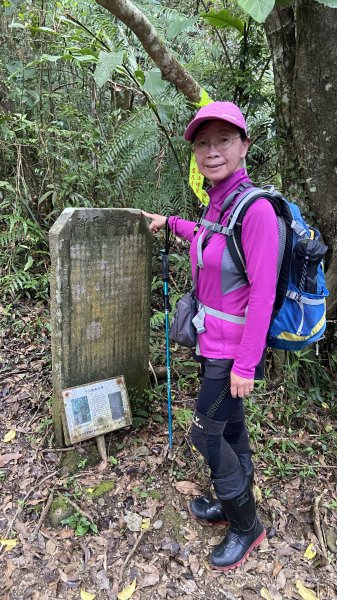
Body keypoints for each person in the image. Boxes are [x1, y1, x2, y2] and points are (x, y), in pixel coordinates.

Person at [143, 101, 279, 571]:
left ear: (244, 145)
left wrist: (246, 364)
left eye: (223, 140)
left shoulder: (256, 210)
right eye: (203, 143)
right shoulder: (220, 202)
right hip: (211, 342)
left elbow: (262, 295)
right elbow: (206, 234)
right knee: (231, 426)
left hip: (231, 352)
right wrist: (170, 224)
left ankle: (247, 526)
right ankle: (232, 503)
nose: (211, 151)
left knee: (204, 434)